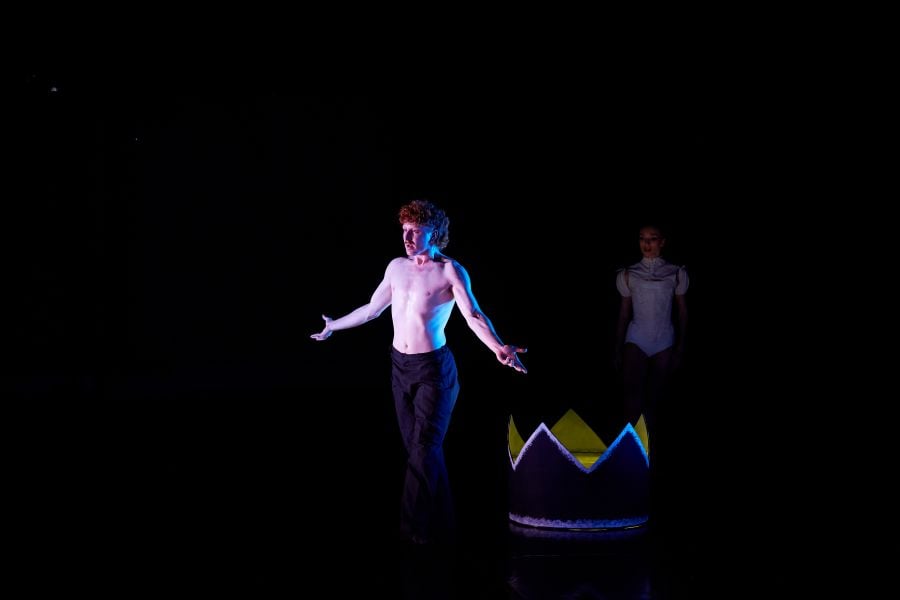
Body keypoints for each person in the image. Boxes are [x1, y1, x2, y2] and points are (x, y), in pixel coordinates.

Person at [311, 199, 527, 545]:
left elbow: (473, 316)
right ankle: (444, 527)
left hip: (434, 372)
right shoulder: (396, 267)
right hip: (400, 368)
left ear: (435, 233)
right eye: (404, 231)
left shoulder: (450, 271)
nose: (407, 238)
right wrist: (334, 325)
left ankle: (411, 534)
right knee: (421, 451)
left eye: (415, 231)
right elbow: (371, 309)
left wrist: (499, 348)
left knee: (423, 448)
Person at [614, 224, 688, 429]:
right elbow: (624, 313)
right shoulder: (629, 274)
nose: (646, 243)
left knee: (654, 399)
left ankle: (649, 447)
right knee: (631, 398)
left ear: (662, 242)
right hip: (636, 337)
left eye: (652, 238)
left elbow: (682, 312)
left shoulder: (675, 273)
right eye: (642, 238)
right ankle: (629, 447)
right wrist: (618, 348)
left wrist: (681, 348)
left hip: (664, 340)